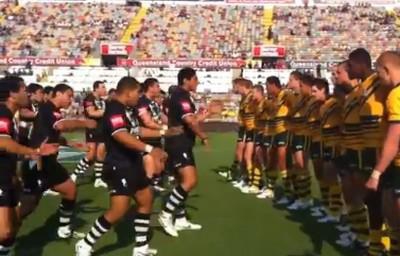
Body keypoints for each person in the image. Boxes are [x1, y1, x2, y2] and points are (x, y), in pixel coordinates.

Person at [75, 76, 170, 256]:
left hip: (132, 162)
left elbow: (137, 130)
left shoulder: (128, 109)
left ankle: (141, 248)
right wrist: (150, 149)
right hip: (119, 165)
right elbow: (121, 135)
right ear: (127, 92)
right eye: (137, 93)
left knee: (146, 200)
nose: (139, 97)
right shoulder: (113, 109)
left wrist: (164, 131)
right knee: (118, 211)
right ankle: (85, 244)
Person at [20, 83, 97, 239]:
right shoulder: (48, 108)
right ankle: (6, 231)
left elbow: (52, 133)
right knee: (29, 204)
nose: (71, 100)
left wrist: (71, 144)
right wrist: (84, 122)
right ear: (59, 94)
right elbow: (61, 125)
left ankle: (64, 229)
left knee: (70, 190)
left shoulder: (51, 110)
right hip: (38, 162)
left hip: (49, 163)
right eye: (69, 95)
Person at [0, 76, 57, 255]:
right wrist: (36, 152)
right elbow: (3, 142)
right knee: (5, 231)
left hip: (5, 177)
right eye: (24, 90)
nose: (28, 94)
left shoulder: (11, 115)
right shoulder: (2, 113)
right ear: (12, 95)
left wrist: (13, 175)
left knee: (13, 224)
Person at [158, 67, 208, 237]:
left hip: (178, 142)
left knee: (182, 181)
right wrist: (203, 135)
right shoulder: (181, 96)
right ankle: (166, 214)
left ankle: (180, 219)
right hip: (179, 143)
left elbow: (189, 119)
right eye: (195, 79)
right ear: (186, 80)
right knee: (190, 180)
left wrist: (202, 116)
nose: (197, 82)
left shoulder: (178, 96)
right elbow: (190, 121)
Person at [348, 48, 388, 255]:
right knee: (371, 200)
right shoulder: (363, 87)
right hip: (365, 148)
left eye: (351, 64)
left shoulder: (379, 83)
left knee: (380, 200)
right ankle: (375, 243)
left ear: (361, 64)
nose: (349, 68)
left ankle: (380, 246)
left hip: (378, 149)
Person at [366, 51, 400, 256]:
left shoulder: (396, 95)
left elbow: (394, 138)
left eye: (378, 72)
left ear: (386, 70)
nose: (378, 77)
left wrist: (376, 173)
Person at [72, 81, 108, 188]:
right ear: (96, 89)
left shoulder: (102, 101)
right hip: (92, 129)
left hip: (102, 129)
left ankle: (98, 179)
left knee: (100, 154)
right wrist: (106, 112)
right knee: (91, 155)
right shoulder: (89, 99)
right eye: (102, 87)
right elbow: (91, 112)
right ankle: (74, 175)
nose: (104, 89)